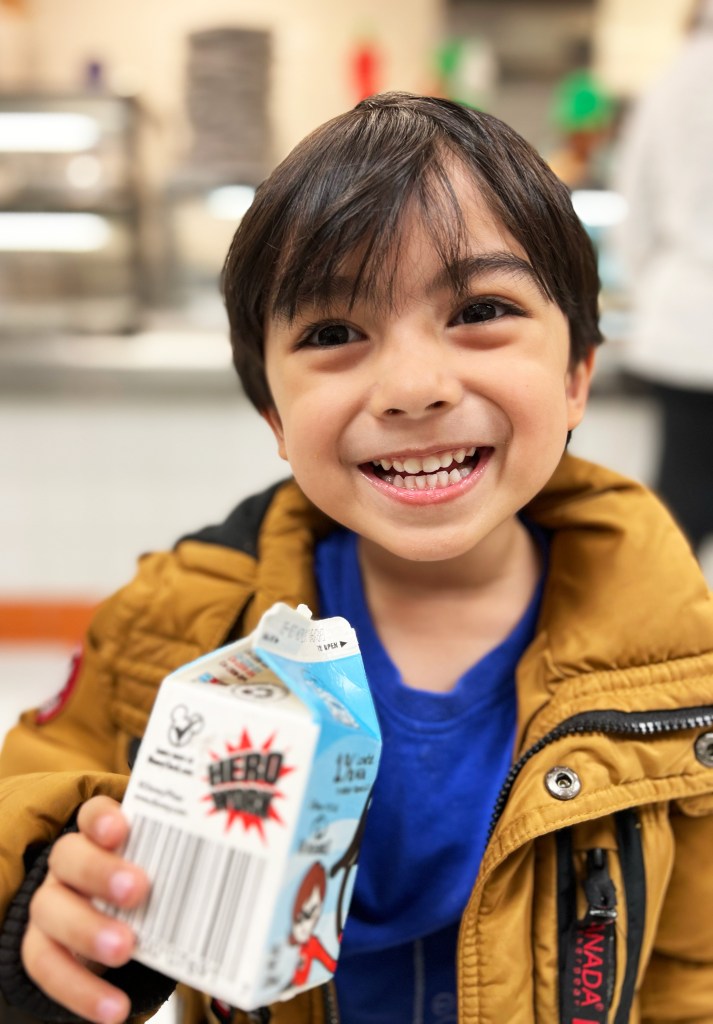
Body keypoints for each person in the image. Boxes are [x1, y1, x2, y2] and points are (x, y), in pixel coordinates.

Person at [0, 92, 712, 1024]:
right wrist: (47, 919)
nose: (413, 388)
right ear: (273, 413)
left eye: (481, 310)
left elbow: (690, 974)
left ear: (576, 373)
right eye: (333, 334)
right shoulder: (168, 629)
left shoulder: (679, 666)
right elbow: (36, 805)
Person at [614, 0, 713, 554]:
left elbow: (636, 210)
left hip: (686, 324)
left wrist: (653, 291)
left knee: (681, 506)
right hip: (687, 319)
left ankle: (664, 610)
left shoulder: (672, 83)